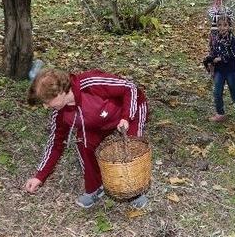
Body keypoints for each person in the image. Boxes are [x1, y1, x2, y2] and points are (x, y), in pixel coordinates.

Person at [24, 67, 150, 209]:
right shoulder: (59, 113)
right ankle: (95, 188)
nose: (46, 106)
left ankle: (135, 191)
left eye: (47, 101)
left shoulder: (90, 83)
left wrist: (126, 117)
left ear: (60, 93)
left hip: (126, 111)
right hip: (97, 122)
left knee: (132, 148)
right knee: (83, 142)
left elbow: (130, 88)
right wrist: (39, 176)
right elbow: (55, 144)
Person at [208, 16, 235, 123]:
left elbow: (234, 54)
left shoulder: (233, 39)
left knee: (234, 93)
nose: (222, 28)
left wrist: (221, 58)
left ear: (229, 26)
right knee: (217, 92)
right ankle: (220, 113)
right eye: (219, 25)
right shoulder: (216, 38)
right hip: (219, 70)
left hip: (230, 71)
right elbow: (213, 52)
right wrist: (210, 61)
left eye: (225, 25)